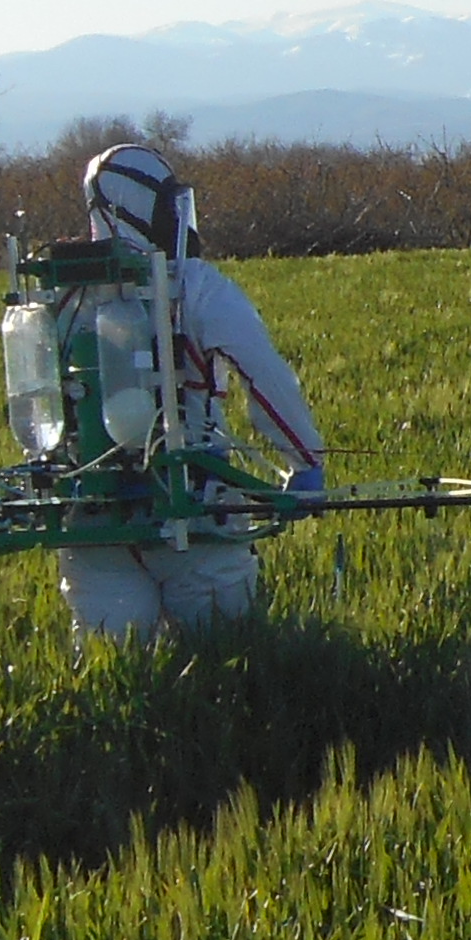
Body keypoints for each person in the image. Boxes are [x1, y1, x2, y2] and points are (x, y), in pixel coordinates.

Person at [57, 137, 324, 640]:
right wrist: (305, 463)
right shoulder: (197, 286)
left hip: (94, 529)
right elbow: (265, 376)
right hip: (198, 519)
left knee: (118, 671)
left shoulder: (64, 295)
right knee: (226, 659)